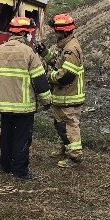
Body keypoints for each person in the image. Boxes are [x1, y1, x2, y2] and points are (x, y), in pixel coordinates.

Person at [0, 16, 51, 181]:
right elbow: (40, 80)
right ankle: (20, 171)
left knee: (6, 135)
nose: (30, 36)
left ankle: (5, 164)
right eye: (29, 33)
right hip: (24, 107)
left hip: (4, 106)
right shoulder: (29, 52)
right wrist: (46, 101)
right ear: (23, 33)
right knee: (22, 138)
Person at [44, 13, 85, 167]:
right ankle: (66, 147)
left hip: (70, 95)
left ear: (62, 31)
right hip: (63, 95)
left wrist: (49, 77)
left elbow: (67, 75)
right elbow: (57, 63)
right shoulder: (66, 46)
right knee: (60, 124)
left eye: (55, 30)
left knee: (69, 125)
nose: (54, 33)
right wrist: (44, 53)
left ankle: (75, 156)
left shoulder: (71, 49)